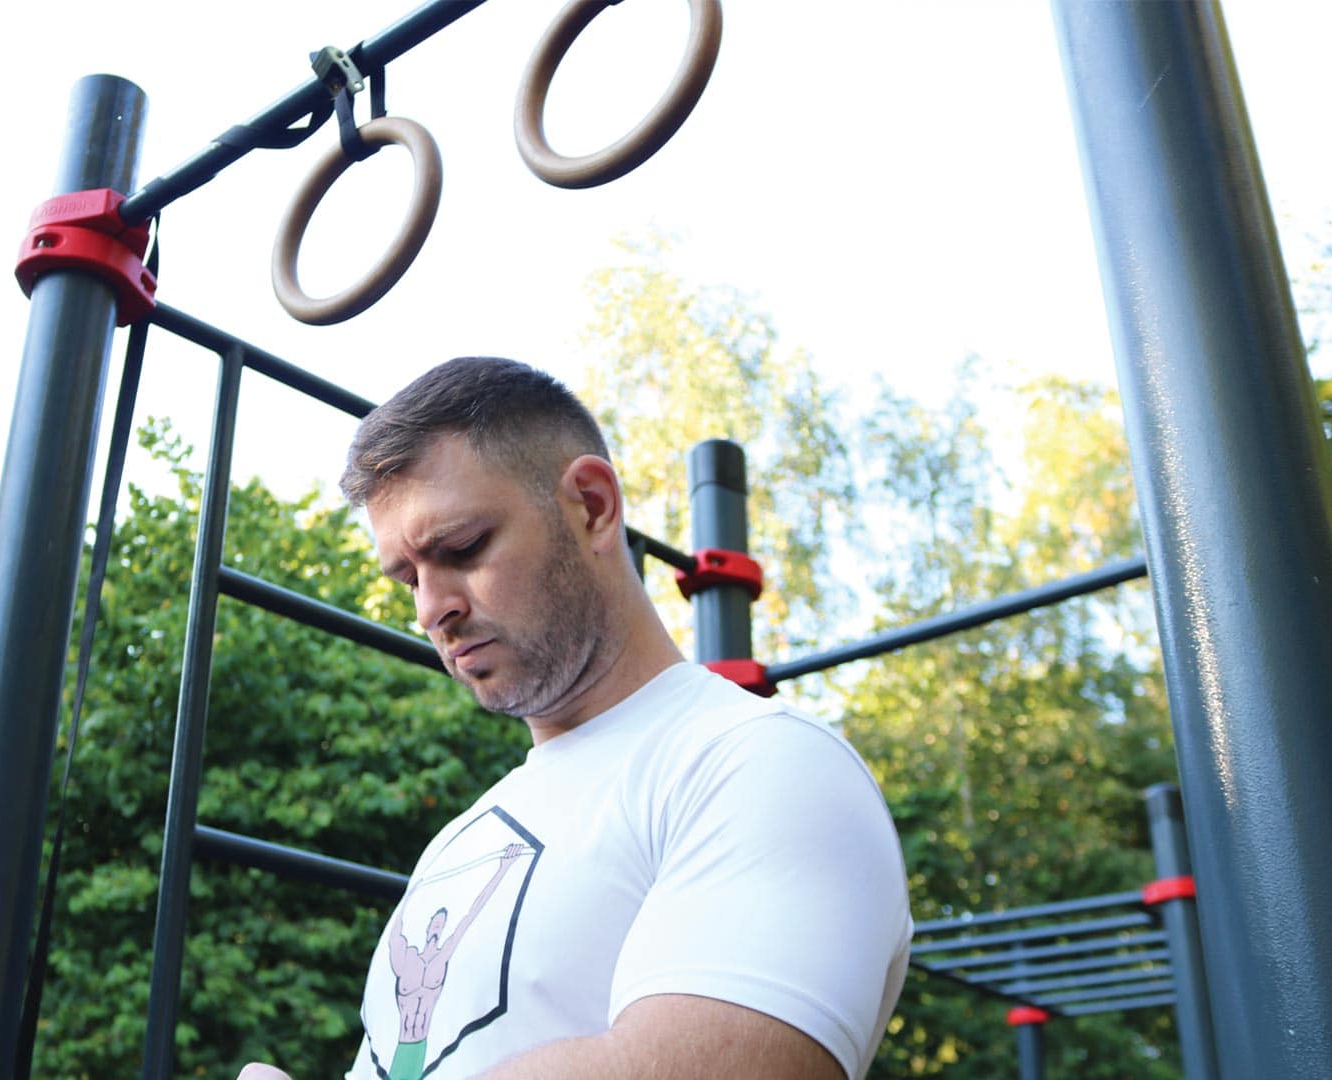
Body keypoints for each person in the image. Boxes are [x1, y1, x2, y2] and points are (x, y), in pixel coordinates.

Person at [240, 357, 910, 1080]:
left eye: (462, 549)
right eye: (407, 578)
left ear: (591, 505)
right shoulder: (458, 841)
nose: (431, 609)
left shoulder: (764, 766)